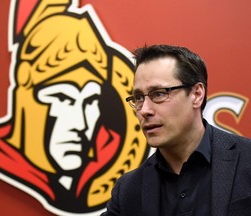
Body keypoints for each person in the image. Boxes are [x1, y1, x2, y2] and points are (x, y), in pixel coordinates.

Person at [101, 44, 251, 216]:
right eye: (139, 98)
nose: (144, 110)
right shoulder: (128, 191)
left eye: (159, 93)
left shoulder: (247, 159)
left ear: (197, 94)